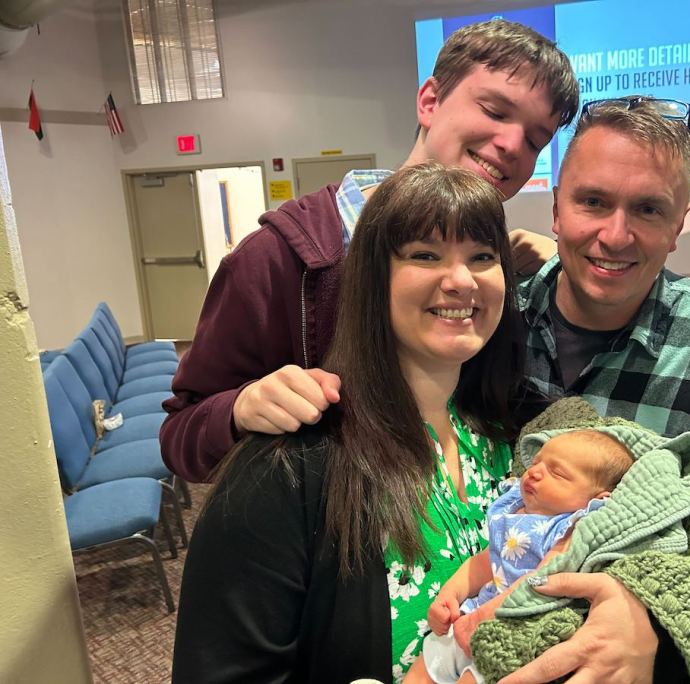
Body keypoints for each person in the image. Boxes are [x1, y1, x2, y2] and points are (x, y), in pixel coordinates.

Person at [160, 19, 578, 483]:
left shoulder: (504, 272)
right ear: (430, 101)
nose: (513, 145)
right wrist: (240, 409)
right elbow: (182, 435)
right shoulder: (280, 260)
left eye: (537, 140)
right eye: (496, 112)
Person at [172, 163, 526, 683]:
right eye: (425, 255)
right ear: (371, 278)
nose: (460, 280)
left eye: (482, 257)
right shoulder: (289, 469)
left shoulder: (513, 438)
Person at [513, 96, 690, 681]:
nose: (615, 236)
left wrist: (657, 625)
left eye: (647, 209)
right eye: (593, 201)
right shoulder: (494, 321)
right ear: (556, 210)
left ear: (677, 226)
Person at [406, 428, 635, 684]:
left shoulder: (570, 528)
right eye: (537, 462)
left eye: (557, 473)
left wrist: (488, 615)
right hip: (469, 616)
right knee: (424, 666)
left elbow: (544, 577)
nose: (534, 472)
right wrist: (450, 595)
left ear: (597, 499)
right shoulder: (516, 511)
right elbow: (485, 562)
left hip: (510, 631)